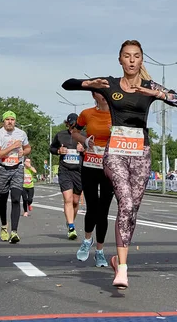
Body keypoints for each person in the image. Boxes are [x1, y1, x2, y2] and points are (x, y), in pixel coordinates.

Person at [62, 39, 177, 289]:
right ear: (120, 60)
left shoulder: (150, 86)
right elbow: (67, 84)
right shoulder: (110, 84)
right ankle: (124, 269)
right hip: (115, 153)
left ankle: (117, 260)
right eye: (127, 56)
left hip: (141, 153)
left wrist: (157, 94)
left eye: (136, 56)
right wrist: (88, 83)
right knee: (125, 203)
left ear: (141, 60)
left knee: (132, 211)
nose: (131, 60)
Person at [71, 91, 115, 267]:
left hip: (109, 166)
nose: (104, 95)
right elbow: (74, 132)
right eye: (99, 92)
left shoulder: (116, 113)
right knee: (92, 207)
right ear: (93, 96)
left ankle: (100, 251)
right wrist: (84, 140)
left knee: (103, 211)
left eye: (106, 91)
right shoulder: (86, 114)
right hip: (90, 165)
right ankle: (87, 240)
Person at [0, 111, 31, 243]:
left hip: (17, 168)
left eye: (12, 119)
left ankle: (14, 232)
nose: (10, 122)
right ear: (4, 121)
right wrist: (12, 147)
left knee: (16, 198)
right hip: (3, 168)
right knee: (2, 199)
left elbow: (28, 148)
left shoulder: (21, 133)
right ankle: (4, 226)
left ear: (15, 121)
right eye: (7, 119)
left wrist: (23, 151)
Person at [49, 113, 85, 240]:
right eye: (70, 126)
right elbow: (52, 148)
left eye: (75, 126)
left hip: (79, 172)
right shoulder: (60, 135)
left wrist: (84, 150)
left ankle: (71, 222)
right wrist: (58, 151)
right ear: (67, 124)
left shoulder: (84, 136)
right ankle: (71, 227)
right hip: (65, 171)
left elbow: (94, 151)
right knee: (68, 199)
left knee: (75, 201)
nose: (72, 128)